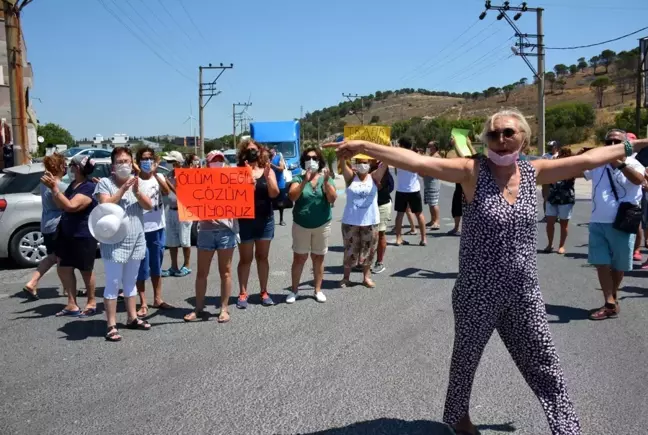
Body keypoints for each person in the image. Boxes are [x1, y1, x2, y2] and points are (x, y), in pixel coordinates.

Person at [323, 108, 648, 435]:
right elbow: (416, 162)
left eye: (509, 132)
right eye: (494, 134)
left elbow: (591, 159)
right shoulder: (471, 171)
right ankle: (457, 418)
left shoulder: (534, 171)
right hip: (477, 292)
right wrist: (367, 145)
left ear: (524, 136)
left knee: (546, 366)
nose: (502, 140)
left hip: (524, 293)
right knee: (465, 362)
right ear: (485, 140)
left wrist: (641, 143)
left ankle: (567, 429)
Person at [584, 129, 645, 321]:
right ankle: (609, 300)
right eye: (608, 142)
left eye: (616, 142)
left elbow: (639, 180)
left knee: (618, 266)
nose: (611, 145)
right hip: (597, 220)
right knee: (601, 263)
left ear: (625, 144)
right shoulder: (597, 164)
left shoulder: (634, 162)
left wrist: (619, 163)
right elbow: (579, 171)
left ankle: (612, 298)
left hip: (622, 222)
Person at [95, 147, 154, 342]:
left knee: (131, 281)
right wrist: (123, 189)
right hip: (114, 242)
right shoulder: (105, 183)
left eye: (127, 161)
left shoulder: (137, 182)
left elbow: (148, 205)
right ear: (113, 166)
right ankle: (111, 324)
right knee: (113, 282)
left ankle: (132, 317)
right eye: (120, 162)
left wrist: (136, 191)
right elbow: (105, 205)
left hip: (136, 239)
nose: (124, 165)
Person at [184, 150, 238, 323]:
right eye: (214, 160)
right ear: (208, 163)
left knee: (226, 272)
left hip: (226, 231)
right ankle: (198, 308)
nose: (217, 163)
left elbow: (241, 200)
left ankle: (224, 309)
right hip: (205, 231)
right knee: (202, 272)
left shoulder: (232, 179)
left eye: (220, 160)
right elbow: (189, 203)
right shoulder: (198, 180)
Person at [41, 154, 97, 317]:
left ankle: (91, 302)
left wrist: (55, 189)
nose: (69, 168)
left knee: (86, 270)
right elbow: (61, 205)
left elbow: (72, 206)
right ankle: (72, 304)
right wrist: (54, 190)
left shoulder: (88, 187)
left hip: (83, 234)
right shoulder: (73, 184)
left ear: (78, 168)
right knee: (64, 268)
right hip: (66, 233)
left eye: (71, 164)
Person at [285, 146, 337, 304]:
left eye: (315, 158)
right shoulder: (298, 179)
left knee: (318, 257)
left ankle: (318, 290)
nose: (311, 161)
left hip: (322, 225)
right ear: (303, 161)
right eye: (308, 158)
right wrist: (305, 181)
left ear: (319, 161)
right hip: (301, 225)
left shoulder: (326, 179)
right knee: (299, 258)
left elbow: (332, 199)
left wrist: (327, 182)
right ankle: (294, 291)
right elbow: (292, 197)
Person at [236, 139, 280, 309]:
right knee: (245, 259)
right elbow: (237, 197)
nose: (253, 153)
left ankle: (264, 291)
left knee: (262, 257)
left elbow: (274, 194)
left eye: (255, 150)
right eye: (249, 150)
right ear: (243, 153)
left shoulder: (267, 170)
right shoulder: (238, 171)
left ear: (260, 152)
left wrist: (268, 176)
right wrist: (247, 177)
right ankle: (243, 292)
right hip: (245, 221)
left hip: (265, 220)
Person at [22, 153, 69, 300]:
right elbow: (66, 205)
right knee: (60, 258)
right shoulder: (59, 185)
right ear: (59, 166)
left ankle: (65, 289)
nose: (66, 167)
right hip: (58, 224)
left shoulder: (44, 182)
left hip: (46, 224)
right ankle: (34, 282)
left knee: (54, 257)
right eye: (64, 164)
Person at [134, 147, 172, 317]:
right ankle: (142, 302)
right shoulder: (134, 180)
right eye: (144, 158)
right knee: (142, 267)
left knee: (156, 265)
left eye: (150, 158)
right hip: (140, 229)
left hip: (157, 228)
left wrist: (156, 174)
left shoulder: (159, 177)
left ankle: (158, 298)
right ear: (138, 161)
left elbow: (167, 192)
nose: (147, 161)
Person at [339, 155, 387, 288]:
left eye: (365, 163)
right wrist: (343, 152)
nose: (362, 165)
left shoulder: (374, 177)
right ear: (355, 164)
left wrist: (387, 148)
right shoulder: (350, 178)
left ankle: (366, 277)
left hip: (370, 221)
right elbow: (342, 162)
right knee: (350, 250)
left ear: (370, 164)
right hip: (351, 221)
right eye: (359, 162)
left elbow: (385, 164)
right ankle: (346, 278)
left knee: (369, 250)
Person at [161, 150, 192, 277]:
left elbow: (183, 194)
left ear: (178, 163)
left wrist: (168, 183)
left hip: (184, 210)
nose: (168, 163)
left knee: (185, 240)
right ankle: (174, 266)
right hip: (171, 210)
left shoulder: (186, 175)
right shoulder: (168, 175)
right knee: (172, 241)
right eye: (168, 161)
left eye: (171, 161)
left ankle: (187, 265)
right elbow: (166, 194)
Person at [393, 137, 427, 246]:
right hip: (414, 190)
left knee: (400, 214)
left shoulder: (397, 157)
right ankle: (423, 239)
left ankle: (398, 238)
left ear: (402, 145)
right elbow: (422, 174)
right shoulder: (415, 157)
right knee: (419, 214)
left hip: (402, 190)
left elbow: (396, 171)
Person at [543, 147, 575, 254]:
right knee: (550, 223)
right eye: (561, 154)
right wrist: (545, 194)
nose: (561, 156)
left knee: (563, 223)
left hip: (565, 198)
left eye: (565, 154)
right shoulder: (553, 164)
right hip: (552, 197)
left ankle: (561, 245)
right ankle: (549, 244)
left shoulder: (572, 166)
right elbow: (546, 180)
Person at [371, 158, 394, 274]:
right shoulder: (365, 166)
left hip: (382, 204)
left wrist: (379, 184)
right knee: (367, 234)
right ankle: (363, 261)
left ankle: (379, 262)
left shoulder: (383, 168)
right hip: (368, 206)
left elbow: (389, 186)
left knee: (380, 233)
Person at [423, 141, 441, 230]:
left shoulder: (436, 157)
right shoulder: (430, 156)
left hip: (433, 183)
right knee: (430, 203)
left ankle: (437, 221)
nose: (428, 148)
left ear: (434, 147)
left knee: (434, 203)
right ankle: (432, 220)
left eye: (430, 146)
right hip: (428, 183)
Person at [541, 140, 560, 221]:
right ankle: (546, 215)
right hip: (547, 180)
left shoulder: (559, 155)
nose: (550, 149)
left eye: (551, 147)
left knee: (558, 198)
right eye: (549, 147)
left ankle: (557, 216)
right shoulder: (545, 155)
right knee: (546, 198)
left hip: (557, 180)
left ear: (555, 147)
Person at [269, 147, 288, 226]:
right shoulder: (267, 159)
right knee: (270, 203)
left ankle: (281, 220)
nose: (270, 151)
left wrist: (272, 165)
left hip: (280, 184)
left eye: (271, 150)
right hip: (270, 184)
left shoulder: (279, 158)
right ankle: (270, 220)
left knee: (280, 203)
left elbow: (281, 168)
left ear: (274, 151)